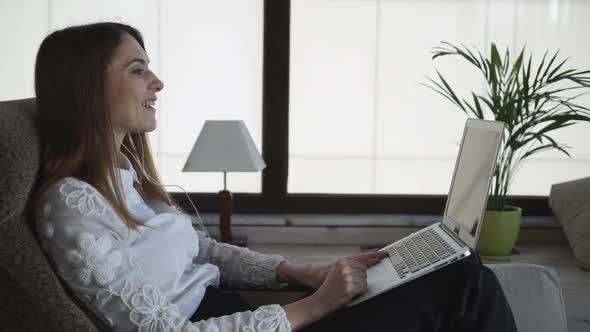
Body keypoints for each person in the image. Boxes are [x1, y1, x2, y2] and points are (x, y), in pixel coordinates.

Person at [33, 22, 516, 332]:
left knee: (458, 267)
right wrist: (314, 305)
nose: (157, 83)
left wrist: (300, 273)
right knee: (465, 287)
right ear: (87, 88)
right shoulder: (71, 205)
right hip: (250, 325)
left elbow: (203, 252)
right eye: (138, 70)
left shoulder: (126, 180)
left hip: (252, 312)